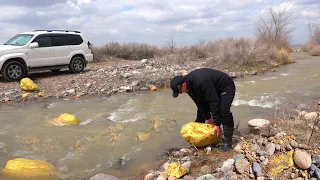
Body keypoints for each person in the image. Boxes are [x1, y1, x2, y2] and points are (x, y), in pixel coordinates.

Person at [170, 68, 236, 152]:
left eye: (180, 91)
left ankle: (228, 143)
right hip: (212, 89)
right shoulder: (189, 87)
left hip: (225, 86)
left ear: (183, 85)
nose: (181, 93)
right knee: (201, 114)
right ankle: (199, 138)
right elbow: (199, 103)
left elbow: (213, 101)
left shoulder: (201, 81)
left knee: (224, 111)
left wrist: (217, 123)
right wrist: (208, 118)